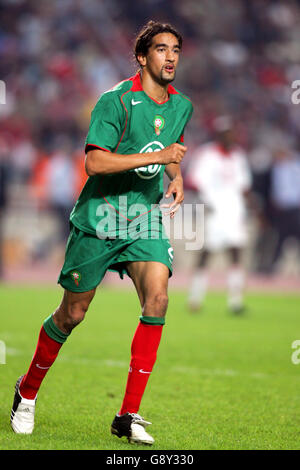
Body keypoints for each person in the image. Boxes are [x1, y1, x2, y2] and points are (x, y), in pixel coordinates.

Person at [10, 20, 193, 445]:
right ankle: (27, 391)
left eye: (176, 50)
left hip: (142, 217)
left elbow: (166, 148)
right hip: (100, 217)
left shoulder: (181, 105)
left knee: (159, 298)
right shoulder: (116, 101)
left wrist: (175, 173)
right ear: (142, 57)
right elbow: (95, 164)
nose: (170, 58)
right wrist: (164, 155)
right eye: (162, 49)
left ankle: (127, 415)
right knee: (72, 314)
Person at [186, 116, 252, 314]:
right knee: (206, 254)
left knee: (236, 253)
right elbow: (193, 180)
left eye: (232, 133)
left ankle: (235, 302)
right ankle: (195, 298)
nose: (230, 136)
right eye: (226, 133)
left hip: (234, 211)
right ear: (218, 134)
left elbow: (244, 185)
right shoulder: (207, 154)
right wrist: (206, 201)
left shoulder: (238, 156)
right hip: (214, 211)